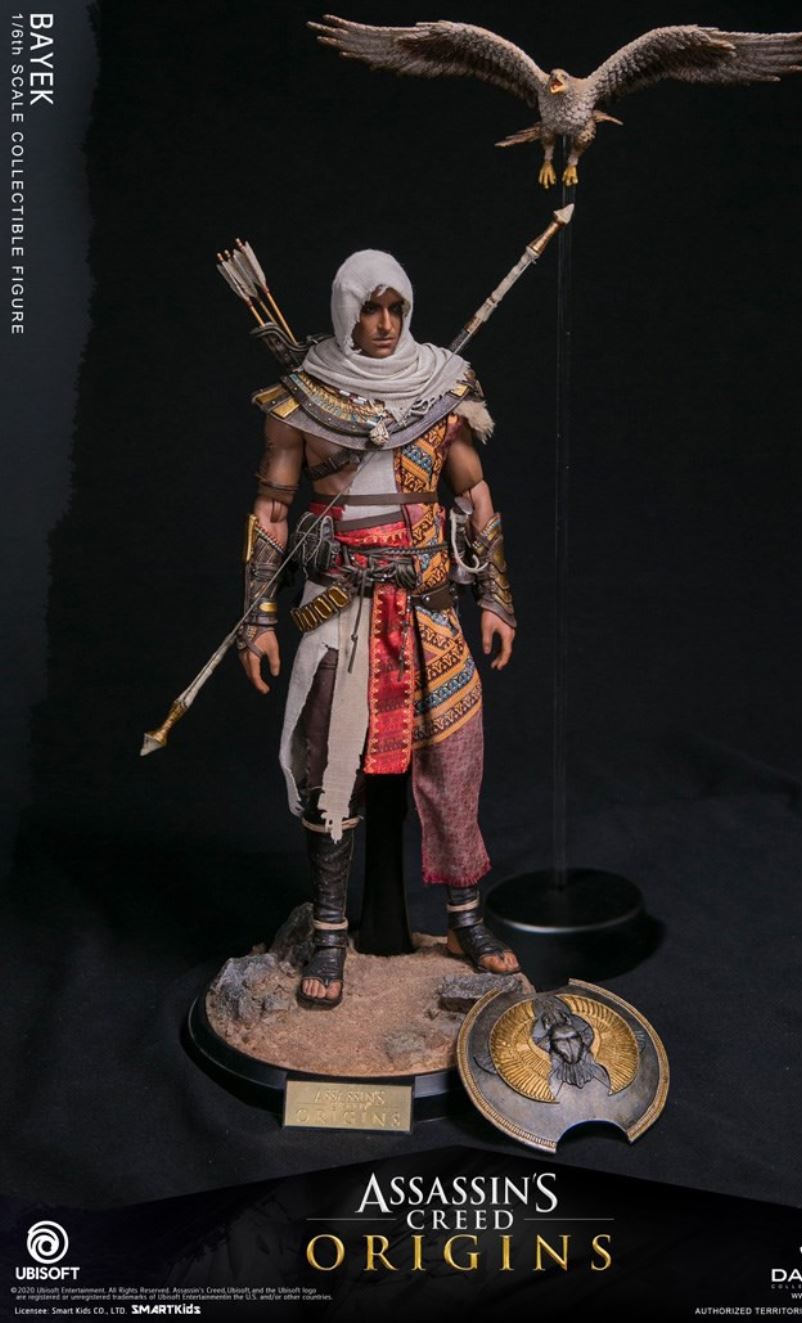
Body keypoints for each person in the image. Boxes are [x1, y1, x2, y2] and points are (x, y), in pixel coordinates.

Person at [238, 250, 519, 1008]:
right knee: (332, 764)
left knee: (454, 757)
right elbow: (272, 510)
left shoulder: (441, 386)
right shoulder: (301, 399)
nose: (386, 324)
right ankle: (330, 930)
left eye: (397, 308)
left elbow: (475, 495)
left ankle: (464, 917)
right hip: (343, 612)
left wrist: (496, 598)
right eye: (371, 309)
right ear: (346, 311)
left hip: (429, 608)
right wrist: (259, 617)